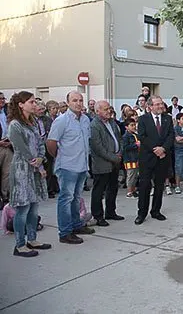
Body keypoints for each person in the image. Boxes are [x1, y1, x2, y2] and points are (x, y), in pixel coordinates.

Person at [6, 91, 51, 257]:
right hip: (21, 171)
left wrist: (40, 158)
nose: (35, 105)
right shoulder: (15, 125)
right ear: (21, 104)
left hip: (34, 170)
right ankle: (20, 244)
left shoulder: (33, 122)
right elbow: (22, 149)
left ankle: (32, 239)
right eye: (31, 102)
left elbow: (40, 143)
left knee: (33, 207)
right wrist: (36, 163)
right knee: (23, 209)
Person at [47, 91, 95, 244]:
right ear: (68, 103)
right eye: (75, 100)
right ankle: (65, 232)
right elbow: (51, 143)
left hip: (82, 165)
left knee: (76, 198)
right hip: (67, 166)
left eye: (81, 100)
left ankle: (76, 225)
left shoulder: (85, 120)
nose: (79, 103)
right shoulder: (62, 121)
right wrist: (60, 157)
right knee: (66, 199)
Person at [135, 96, 175, 225]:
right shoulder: (143, 119)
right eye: (157, 104)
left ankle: (156, 211)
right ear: (150, 106)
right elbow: (142, 136)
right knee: (145, 186)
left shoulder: (167, 118)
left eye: (161, 104)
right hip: (147, 158)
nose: (160, 106)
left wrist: (163, 148)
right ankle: (142, 213)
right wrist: (155, 149)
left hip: (163, 157)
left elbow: (171, 135)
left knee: (159, 186)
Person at [89, 100, 124, 226]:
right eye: (105, 109)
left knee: (112, 188)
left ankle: (110, 212)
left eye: (109, 108)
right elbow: (98, 147)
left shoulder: (112, 122)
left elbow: (119, 139)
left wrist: (120, 152)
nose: (109, 111)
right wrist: (113, 157)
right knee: (99, 190)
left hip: (115, 161)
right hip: (102, 163)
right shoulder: (94, 126)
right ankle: (98, 216)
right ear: (97, 111)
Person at [0, 91, 13, 205]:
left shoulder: (6, 112)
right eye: (0, 99)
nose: (3, 101)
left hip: (8, 145)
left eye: (3, 98)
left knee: (7, 173)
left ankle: (5, 197)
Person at [122, 119, 140, 199]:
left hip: (136, 157)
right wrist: (135, 145)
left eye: (134, 124)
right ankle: (129, 191)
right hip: (129, 159)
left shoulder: (135, 135)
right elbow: (125, 147)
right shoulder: (126, 136)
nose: (134, 126)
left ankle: (133, 190)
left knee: (135, 175)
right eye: (131, 125)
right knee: (131, 175)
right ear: (126, 127)